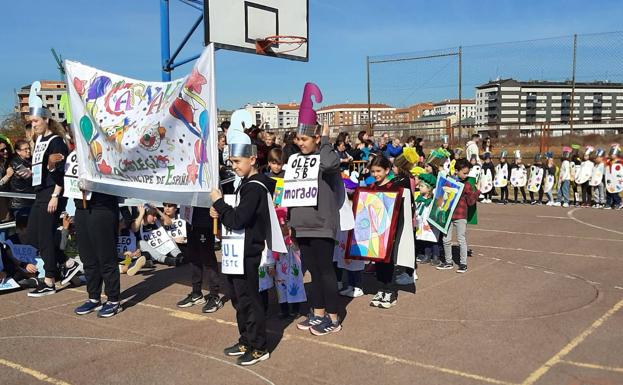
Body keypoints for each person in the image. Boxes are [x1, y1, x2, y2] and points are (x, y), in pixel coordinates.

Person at [210, 109, 282, 366]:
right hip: (236, 253)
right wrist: (220, 208)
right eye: (230, 162)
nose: (233, 166)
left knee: (251, 302)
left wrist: (219, 204)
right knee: (240, 301)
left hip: (249, 253)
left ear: (252, 159)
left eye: (237, 161)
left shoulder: (255, 187)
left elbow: (238, 219)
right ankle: (246, 339)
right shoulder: (245, 185)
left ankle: (258, 346)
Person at [289, 84, 344, 336]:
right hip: (302, 224)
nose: (300, 143)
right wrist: (292, 223)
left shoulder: (325, 157)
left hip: (322, 224)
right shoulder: (296, 159)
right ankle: (318, 312)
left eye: (305, 139)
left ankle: (333, 318)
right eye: (298, 139)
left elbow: (332, 163)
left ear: (316, 138)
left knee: (325, 271)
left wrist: (325, 142)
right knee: (312, 272)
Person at [25, 83, 72, 297]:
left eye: (35, 121)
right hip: (40, 193)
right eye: (31, 122)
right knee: (33, 236)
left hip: (52, 193)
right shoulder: (39, 140)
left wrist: (55, 195)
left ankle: (50, 280)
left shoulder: (56, 141)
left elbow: (61, 170)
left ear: (45, 119)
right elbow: (43, 168)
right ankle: (67, 262)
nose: (33, 125)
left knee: (44, 237)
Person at [73, 189, 122, 318]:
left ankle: (113, 300)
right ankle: (94, 298)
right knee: (87, 257)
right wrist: (53, 169)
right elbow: (61, 178)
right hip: (81, 207)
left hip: (103, 206)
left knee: (106, 256)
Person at [437, 158, 479, 273]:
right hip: (448, 214)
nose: (466, 175)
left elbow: (471, 202)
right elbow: (441, 194)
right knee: (446, 239)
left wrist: (477, 191)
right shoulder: (449, 181)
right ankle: (448, 262)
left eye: (467, 173)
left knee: (461, 239)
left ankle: (463, 264)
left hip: (461, 215)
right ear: (456, 171)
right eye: (464, 173)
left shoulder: (467, 185)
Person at [414, 173, 440, 265]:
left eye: (422, 186)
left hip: (430, 223)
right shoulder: (419, 199)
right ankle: (427, 256)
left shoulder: (433, 201)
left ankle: (436, 257)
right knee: (425, 239)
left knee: (433, 240)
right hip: (422, 223)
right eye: (420, 185)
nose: (419, 187)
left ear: (429, 188)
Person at [7, 140, 34, 218]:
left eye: (29, 148)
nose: (28, 151)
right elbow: (30, 178)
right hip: (20, 203)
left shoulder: (31, 159)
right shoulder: (16, 163)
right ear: (18, 151)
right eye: (25, 149)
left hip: (32, 200)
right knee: (23, 228)